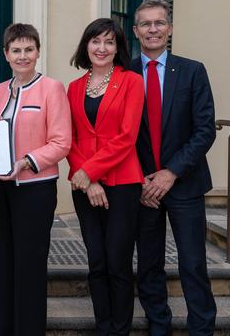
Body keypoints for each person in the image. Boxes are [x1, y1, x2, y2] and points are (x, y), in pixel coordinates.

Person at [133, 0, 217, 336]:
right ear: (136, 31)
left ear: (169, 28)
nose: (153, 29)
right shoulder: (123, 74)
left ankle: (202, 328)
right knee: (149, 264)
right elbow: (120, 134)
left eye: (159, 23)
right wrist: (140, 179)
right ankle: (159, 325)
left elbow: (205, 129)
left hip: (184, 183)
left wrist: (171, 172)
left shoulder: (193, 70)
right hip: (142, 186)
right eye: (146, 24)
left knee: (193, 263)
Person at [0, 23, 71, 335]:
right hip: (0, 190)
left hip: (35, 191)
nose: (23, 56)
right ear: (6, 54)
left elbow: (62, 142)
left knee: (30, 267)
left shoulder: (51, 88)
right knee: (3, 265)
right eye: (16, 50)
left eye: (29, 50)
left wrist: (25, 162)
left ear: (37, 52)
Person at [66, 18, 145, 335]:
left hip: (123, 183)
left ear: (118, 48)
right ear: (86, 45)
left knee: (118, 262)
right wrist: (89, 180)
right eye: (96, 41)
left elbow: (127, 137)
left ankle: (120, 329)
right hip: (85, 186)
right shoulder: (73, 88)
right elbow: (67, 140)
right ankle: (104, 327)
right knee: (96, 262)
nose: (102, 48)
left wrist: (90, 171)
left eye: (109, 42)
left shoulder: (131, 82)